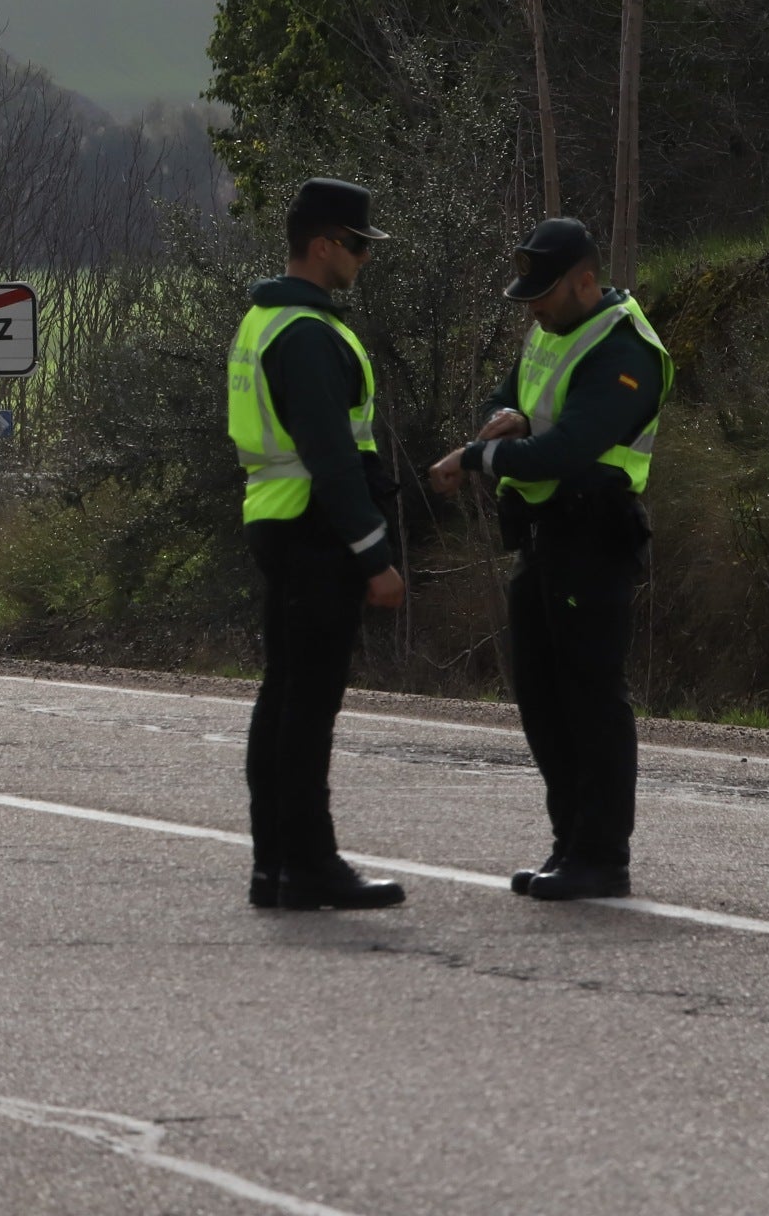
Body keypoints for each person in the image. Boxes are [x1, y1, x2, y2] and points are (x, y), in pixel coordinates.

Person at [429, 218, 669, 902]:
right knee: (540, 695)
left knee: (590, 697)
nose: (531, 308)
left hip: (593, 537)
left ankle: (601, 856)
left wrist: (478, 454)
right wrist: (509, 420)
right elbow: (505, 401)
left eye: (543, 294)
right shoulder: (553, 328)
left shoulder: (625, 351)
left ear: (585, 281)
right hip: (541, 536)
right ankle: (569, 842)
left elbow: (569, 450)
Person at [227, 179, 408, 911]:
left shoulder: (267, 320)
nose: (365, 258)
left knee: (284, 699)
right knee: (307, 708)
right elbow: (333, 455)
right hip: (313, 528)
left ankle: (276, 867)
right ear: (325, 244)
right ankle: (309, 865)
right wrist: (375, 556)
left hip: (278, 517)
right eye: (360, 244)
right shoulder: (304, 333)